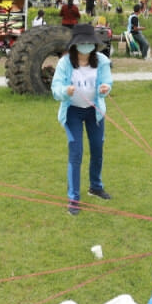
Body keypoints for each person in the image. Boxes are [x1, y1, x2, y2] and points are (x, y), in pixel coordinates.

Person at [51, 24, 113, 216]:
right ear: (75, 45)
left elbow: (108, 82)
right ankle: (73, 199)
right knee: (76, 153)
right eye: (82, 43)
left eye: (89, 43)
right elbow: (56, 89)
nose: (86, 46)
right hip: (72, 113)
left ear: (94, 44)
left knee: (97, 149)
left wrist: (105, 88)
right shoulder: (65, 63)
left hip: (94, 111)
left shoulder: (102, 60)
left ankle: (95, 187)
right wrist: (65, 91)